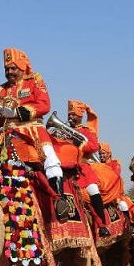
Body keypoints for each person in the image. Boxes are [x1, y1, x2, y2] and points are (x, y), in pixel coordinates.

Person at [0, 48, 66, 217]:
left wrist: (16, 113)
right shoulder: (0, 89)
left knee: (50, 158)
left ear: (22, 67)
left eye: (13, 68)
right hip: (5, 133)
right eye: (7, 69)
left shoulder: (34, 80)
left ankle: (60, 199)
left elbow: (44, 105)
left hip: (31, 129)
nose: (9, 72)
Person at [55, 100, 109, 235]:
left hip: (83, 168)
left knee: (93, 191)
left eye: (74, 115)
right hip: (65, 167)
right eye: (69, 114)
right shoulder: (63, 129)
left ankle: (102, 225)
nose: (70, 117)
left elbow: (94, 146)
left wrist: (78, 142)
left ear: (81, 116)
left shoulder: (87, 131)